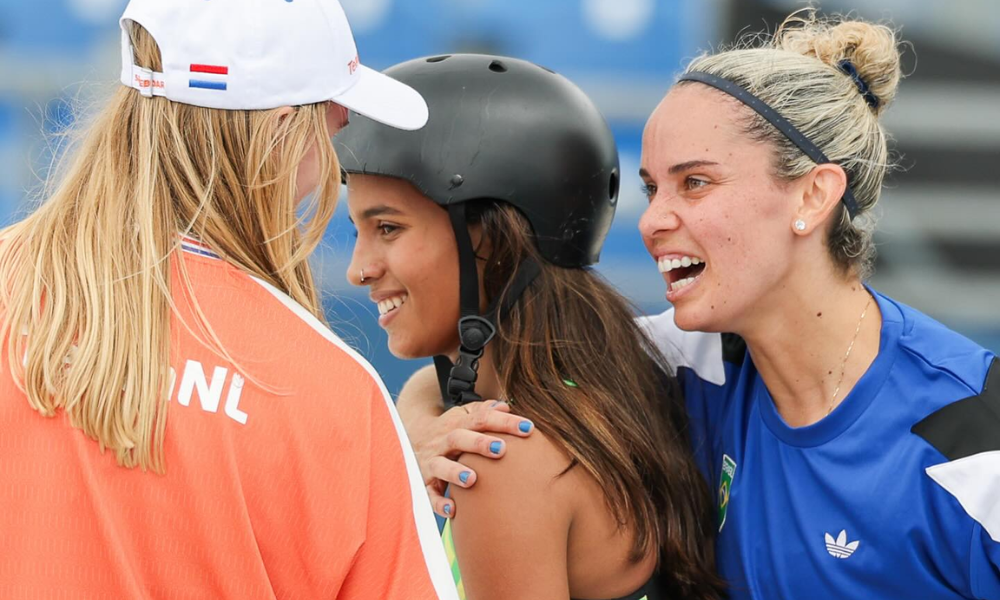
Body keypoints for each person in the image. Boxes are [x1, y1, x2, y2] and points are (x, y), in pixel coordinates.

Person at [398, 11, 1000, 600]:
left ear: (814, 195)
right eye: (652, 188)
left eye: (696, 183)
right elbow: (477, 376)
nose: (654, 221)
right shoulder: (678, 358)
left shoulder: (975, 445)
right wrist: (427, 433)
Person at [0, 0, 458, 598]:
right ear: (276, 136)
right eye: (333, 124)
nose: (332, 159)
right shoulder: (329, 392)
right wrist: (385, 481)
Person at [336, 54, 725, 600]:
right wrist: (419, 425)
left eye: (388, 228)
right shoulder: (601, 390)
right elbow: (436, 388)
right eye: (359, 230)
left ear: (492, 239)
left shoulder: (497, 461)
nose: (358, 269)